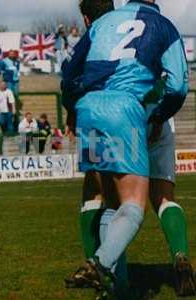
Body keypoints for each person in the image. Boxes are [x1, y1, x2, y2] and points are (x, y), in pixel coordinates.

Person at [61, 0, 190, 297]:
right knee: (136, 204)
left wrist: (72, 107)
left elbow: (69, 74)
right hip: (130, 111)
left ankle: (114, 287)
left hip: (91, 110)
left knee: (108, 198)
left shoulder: (103, 22)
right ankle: (101, 264)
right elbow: (179, 85)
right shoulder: (163, 25)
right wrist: (158, 114)